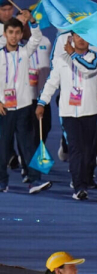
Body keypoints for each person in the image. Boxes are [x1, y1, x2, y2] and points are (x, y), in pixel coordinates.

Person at [37, 33, 97, 200]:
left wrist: (73, 54)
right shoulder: (61, 59)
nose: (81, 39)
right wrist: (42, 102)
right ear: (72, 38)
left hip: (89, 110)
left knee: (87, 150)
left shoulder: (95, 57)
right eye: (77, 36)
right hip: (68, 111)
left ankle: (84, 178)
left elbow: (88, 70)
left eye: (84, 36)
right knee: (75, 149)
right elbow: (52, 82)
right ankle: (79, 186)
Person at [0, 14, 52, 194]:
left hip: (23, 107)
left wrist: (33, 21)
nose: (14, 36)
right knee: (2, 146)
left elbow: (37, 37)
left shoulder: (25, 51)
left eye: (17, 32)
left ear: (22, 34)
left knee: (29, 144)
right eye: (10, 32)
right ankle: (2, 182)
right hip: (4, 108)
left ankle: (35, 180)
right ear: (5, 34)